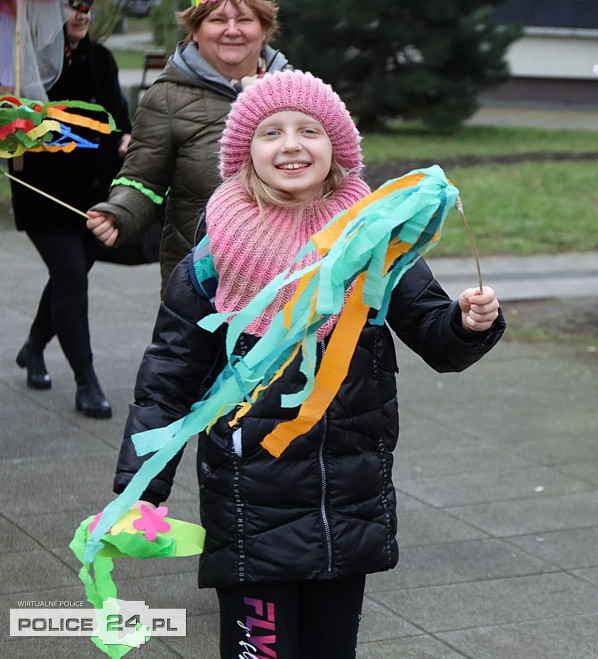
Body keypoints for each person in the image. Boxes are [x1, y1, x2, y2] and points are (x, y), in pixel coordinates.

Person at [111, 70, 505, 658]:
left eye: (309, 130)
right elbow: (167, 381)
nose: (291, 145)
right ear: (245, 152)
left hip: (347, 500)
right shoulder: (214, 257)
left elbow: (433, 332)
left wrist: (468, 323)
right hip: (249, 504)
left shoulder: (374, 240)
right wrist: (139, 489)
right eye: (271, 132)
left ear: (336, 147)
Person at [86, 0, 289, 292]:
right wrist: (120, 212)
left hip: (285, 277)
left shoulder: (295, 90)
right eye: (218, 20)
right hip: (201, 284)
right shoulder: (166, 98)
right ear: (195, 29)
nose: (232, 30)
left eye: (244, 20)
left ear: (265, 28)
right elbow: (142, 180)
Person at [10, 0, 132, 418]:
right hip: (43, 195)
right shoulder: (23, 65)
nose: (81, 13)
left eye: (87, 6)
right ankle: (86, 380)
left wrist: (125, 139)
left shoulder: (101, 58)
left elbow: (119, 119)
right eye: (71, 5)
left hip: (96, 197)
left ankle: (34, 346)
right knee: (70, 275)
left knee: (69, 276)